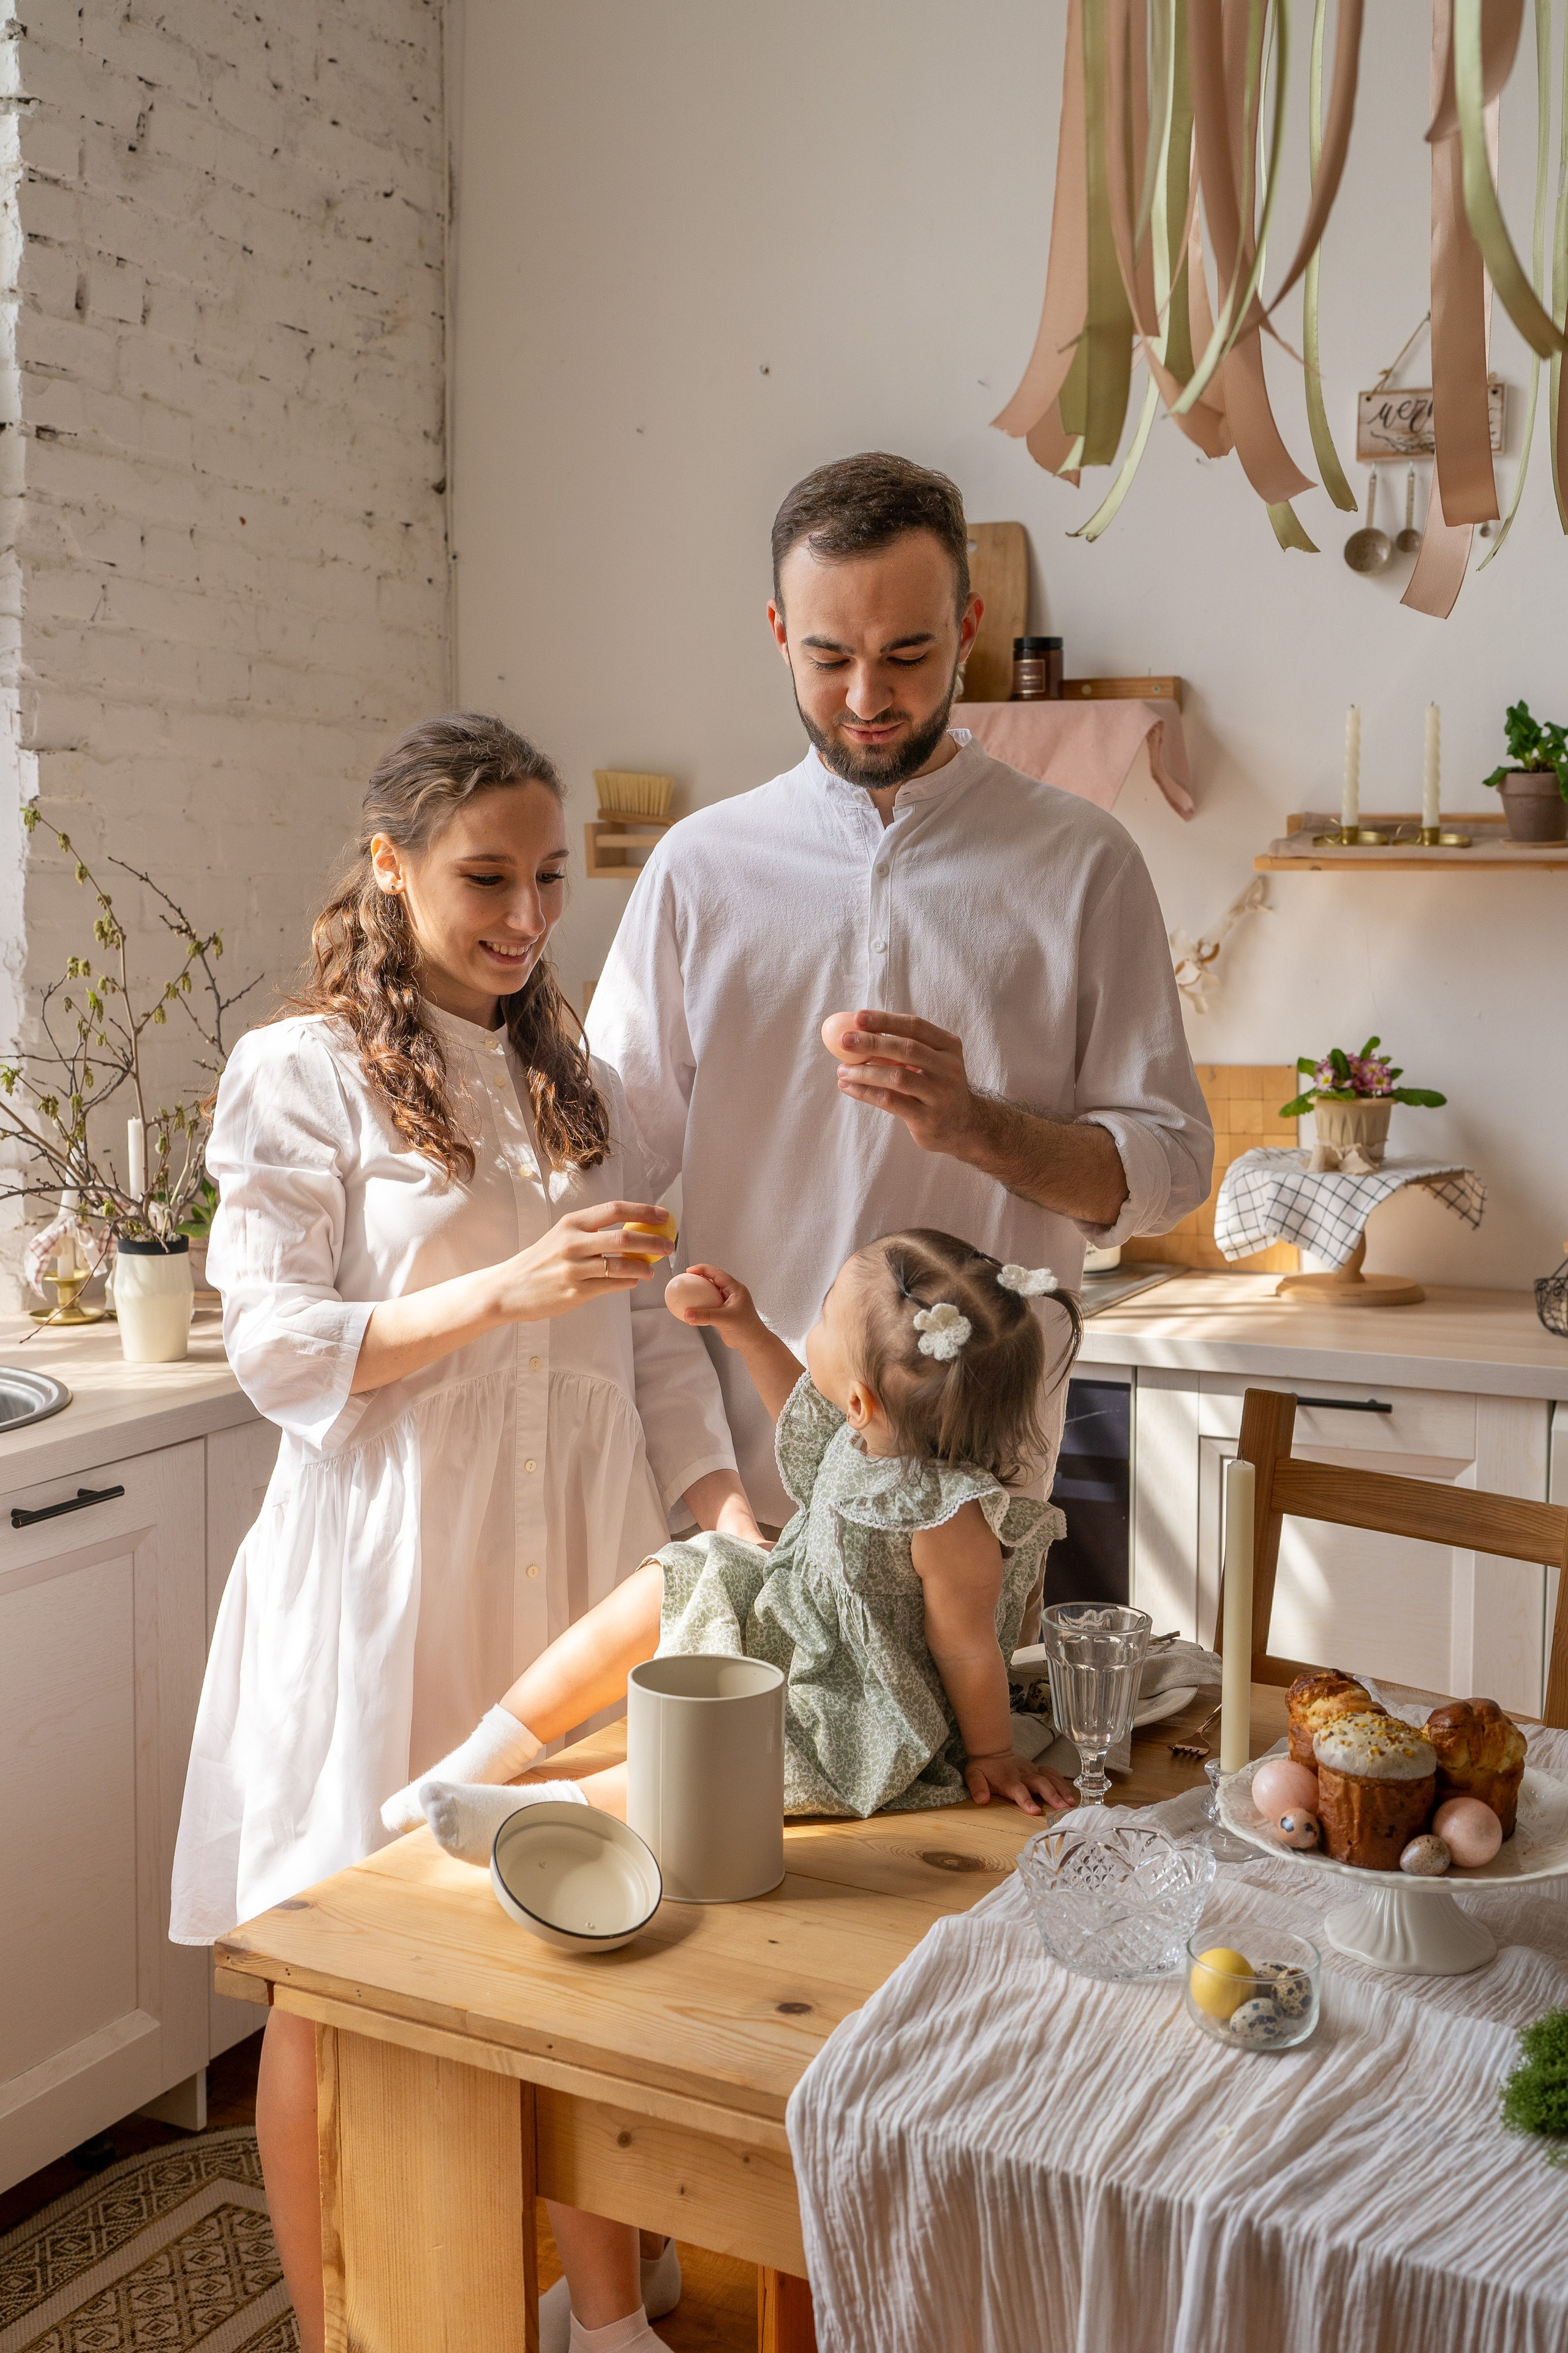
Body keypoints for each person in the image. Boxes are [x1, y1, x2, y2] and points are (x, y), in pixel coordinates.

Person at [170, 714, 753, 2353]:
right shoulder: (301, 1070)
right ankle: (343, 2326)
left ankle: (607, 2314)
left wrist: (720, 1515)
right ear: (391, 867)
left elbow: (647, 1344)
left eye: (551, 879)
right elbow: (272, 1345)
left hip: (573, 1564)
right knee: (337, 1979)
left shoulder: (586, 1076)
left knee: (591, 1947)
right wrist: (499, 1290)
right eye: (485, 879)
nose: (525, 917)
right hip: (383, 1579)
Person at [393, 1225, 1080, 2353]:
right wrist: (745, 1324)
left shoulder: (952, 1522)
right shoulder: (860, 1433)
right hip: (788, 1624)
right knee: (678, 1573)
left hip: (850, 1708)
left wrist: (995, 1754)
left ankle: (542, 1816)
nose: (802, 1346)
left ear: (865, 1401)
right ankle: (490, 1751)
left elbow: (964, 1656)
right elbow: (796, 1402)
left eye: (818, 1318)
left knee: (699, 1761)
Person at [587, 451, 1213, 1539]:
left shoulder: (1082, 862)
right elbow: (610, 1175)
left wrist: (980, 1128)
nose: (868, 699)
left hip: (975, 1503)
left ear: (968, 626)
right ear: (780, 634)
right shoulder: (697, 870)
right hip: (738, 1494)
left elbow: (1171, 1170)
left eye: (908, 654)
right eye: (829, 657)